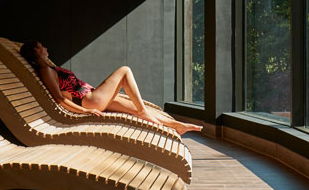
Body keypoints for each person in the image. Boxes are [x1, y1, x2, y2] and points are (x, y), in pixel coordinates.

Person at [19, 40, 202, 135]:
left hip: (91, 98)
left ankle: (178, 126)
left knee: (136, 109)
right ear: (36, 51)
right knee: (124, 71)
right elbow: (60, 98)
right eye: (42, 46)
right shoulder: (45, 69)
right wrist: (85, 112)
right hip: (89, 102)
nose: (46, 48)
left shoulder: (49, 66)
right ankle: (145, 112)